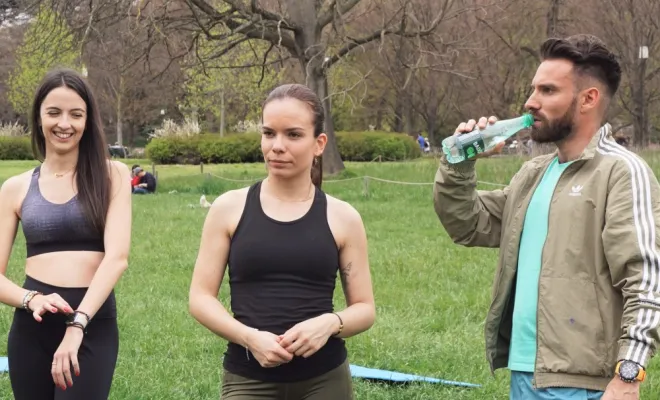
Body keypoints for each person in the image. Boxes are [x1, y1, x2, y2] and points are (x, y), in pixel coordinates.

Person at [433, 34, 659, 400]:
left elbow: (647, 279)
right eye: (533, 89)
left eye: (548, 91)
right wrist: (460, 165)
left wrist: (629, 375)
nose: (530, 102)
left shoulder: (621, 172)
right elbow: (468, 224)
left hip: (583, 383)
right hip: (526, 371)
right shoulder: (535, 172)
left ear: (588, 99)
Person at [188, 83, 376, 399]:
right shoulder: (228, 209)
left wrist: (330, 323)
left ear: (319, 144)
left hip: (324, 378)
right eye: (269, 133)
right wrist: (249, 338)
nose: (277, 146)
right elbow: (200, 298)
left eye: (293, 134)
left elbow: (365, 309)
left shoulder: (343, 217)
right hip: (248, 377)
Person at [0, 68, 132, 399]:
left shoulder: (111, 175)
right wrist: (31, 300)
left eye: (76, 114)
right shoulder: (15, 188)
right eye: (54, 112)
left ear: (88, 121)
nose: (64, 123)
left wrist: (77, 325)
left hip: (92, 323)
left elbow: (117, 259)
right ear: (39, 117)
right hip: (33, 328)